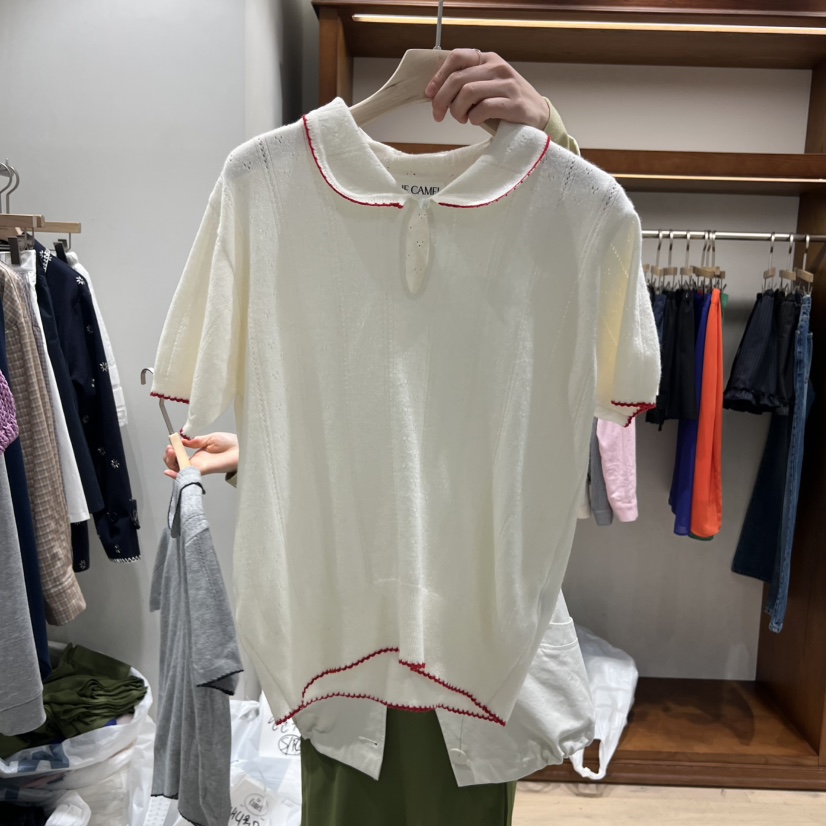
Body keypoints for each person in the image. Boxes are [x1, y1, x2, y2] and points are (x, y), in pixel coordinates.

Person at [162, 48, 584, 826]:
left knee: (457, 790)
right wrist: (264, 456)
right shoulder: (268, 189)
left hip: (468, 614)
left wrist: (554, 138)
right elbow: (363, 397)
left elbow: (493, 395)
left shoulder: (551, 209)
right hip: (346, 609)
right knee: (349, 787)